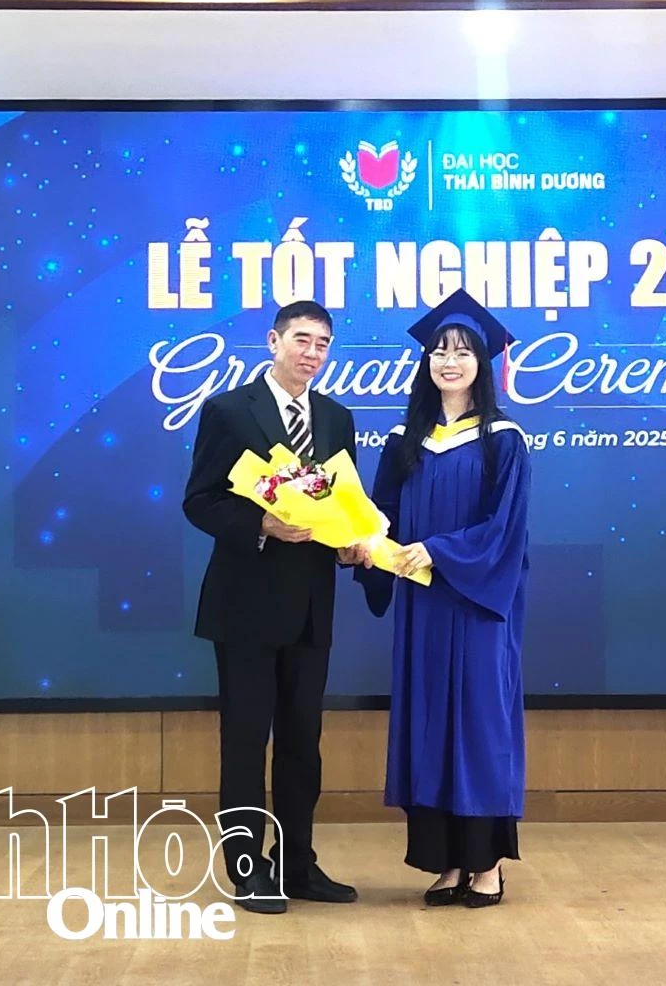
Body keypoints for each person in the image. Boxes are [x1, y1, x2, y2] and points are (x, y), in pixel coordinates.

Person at [182, 299, 369, 915]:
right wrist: (261, 523)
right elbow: (200, 500)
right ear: (273, 341)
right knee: (244, 743)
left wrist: (351, 545)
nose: (312, 353)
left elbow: (344, 506)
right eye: (302, 340)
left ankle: (296, 864)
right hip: (244, 606)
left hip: (312, 607)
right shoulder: (229, 410)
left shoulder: (337, 419)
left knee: (301, 743)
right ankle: (246, 869)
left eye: (323, 344)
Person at [356, 289, 531, 908]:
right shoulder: (405, 439)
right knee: (431, 724)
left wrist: (438, 551)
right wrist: (360, 545)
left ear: (482, 364)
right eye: (439, 350)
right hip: (423, 607)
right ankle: (449, 862)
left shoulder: (503, 440)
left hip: (477, 605)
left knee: (478, 725)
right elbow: (381, 516)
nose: (449, 361)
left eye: (462, 351)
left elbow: (504, 531)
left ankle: (487, 865)